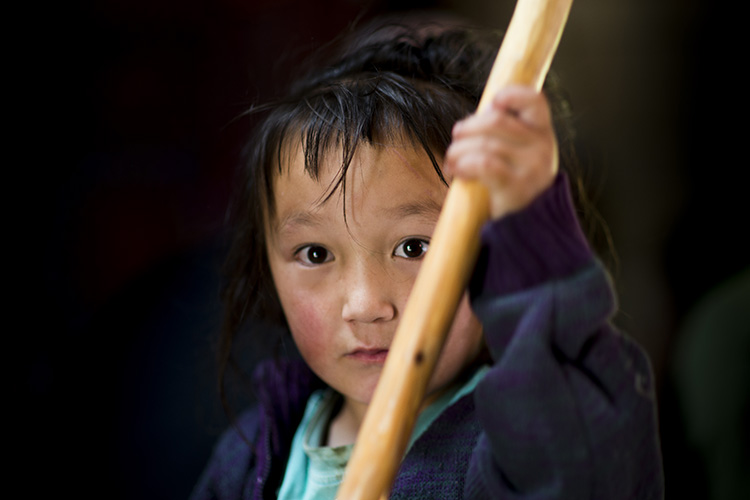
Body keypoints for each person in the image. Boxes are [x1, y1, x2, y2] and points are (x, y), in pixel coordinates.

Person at [190, 19, 664, 499]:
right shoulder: (250, 454)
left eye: (413, 247)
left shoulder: (516, 442)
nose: (366, 304)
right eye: (315, 253)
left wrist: (532, 229)